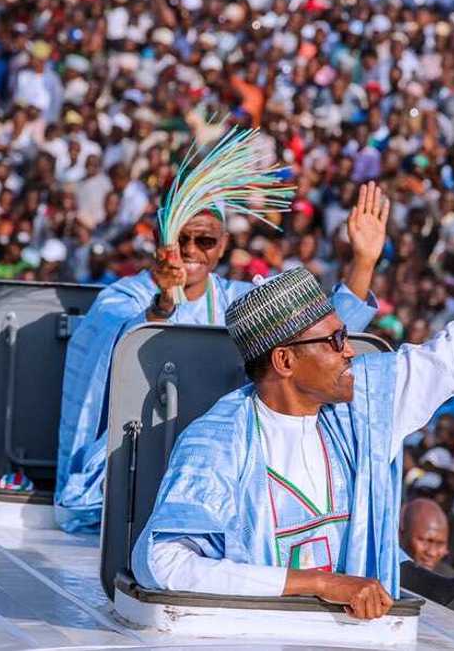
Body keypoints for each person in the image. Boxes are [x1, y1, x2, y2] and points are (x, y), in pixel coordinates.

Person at [131, 198, 454, 619]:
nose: (348, 351)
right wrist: (320, 585)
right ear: (286, 361)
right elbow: (162, 562)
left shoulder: (365, 406)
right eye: (335, 340)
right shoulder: (218, 439)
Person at [55, 184, 387, 532]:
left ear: (224, 244)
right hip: (139, 460)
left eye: (205, 241)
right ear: (157, 239)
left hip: (225, 459)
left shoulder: (239, 299)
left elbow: (318, 341)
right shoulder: (123, 295)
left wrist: (363, 262)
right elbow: (121, 334)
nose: (190, 250)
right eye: (180, 238)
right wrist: (163, 305)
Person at [399, 497, 454, 575]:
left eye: (440, 544)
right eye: (426, 541)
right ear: (401, 535)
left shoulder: (451, 582)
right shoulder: (382, 575)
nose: (432, 553)